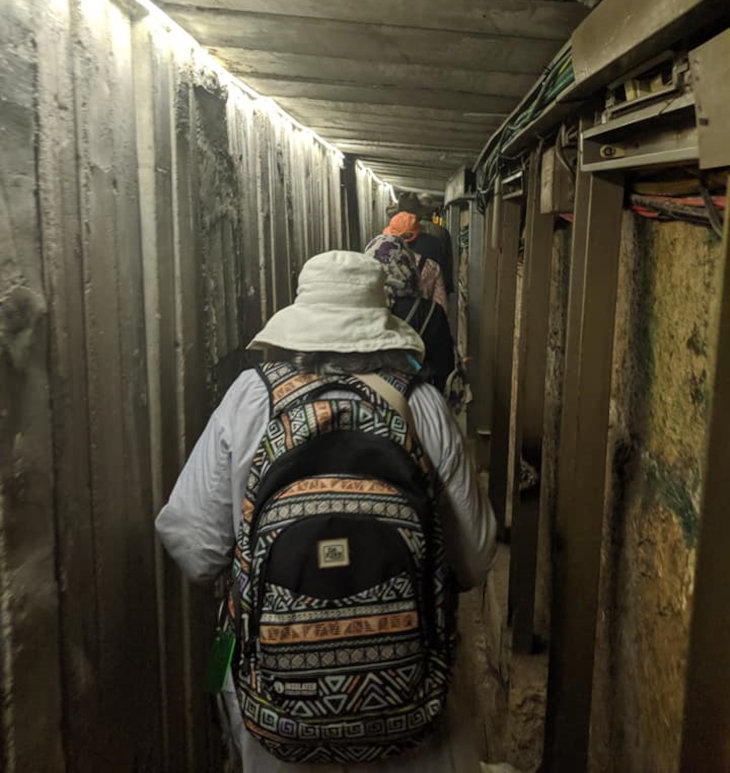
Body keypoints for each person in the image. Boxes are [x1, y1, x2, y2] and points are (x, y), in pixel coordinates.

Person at [155, 250, 496, 771]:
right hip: (407, 702)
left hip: (277, 711)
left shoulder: (250, 400)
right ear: (381, 323)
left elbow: (195, 551)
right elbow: (473, 558)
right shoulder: (421, 404)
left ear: (299, 321)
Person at [364, 234, 455, 395]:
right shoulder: (430, 312)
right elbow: (445, 366)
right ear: (408, 265)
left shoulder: (360, 308)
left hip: (368, 397)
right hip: (418, 397)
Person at [382, 214, 448, 312]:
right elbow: (441, 306)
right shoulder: (432, 267)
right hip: (421, 318)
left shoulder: (382, 264)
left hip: (390, 319)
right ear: (417, 238)